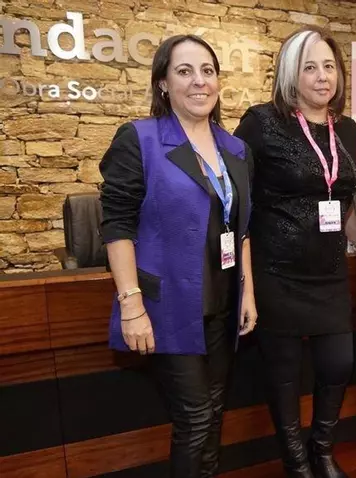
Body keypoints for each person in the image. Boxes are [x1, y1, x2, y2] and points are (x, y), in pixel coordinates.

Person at [100, 35, 257, 478]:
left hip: (223, 303)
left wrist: (247, 292)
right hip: (168, 306)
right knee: (195, 417)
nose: (198, 81)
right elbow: (117, 225)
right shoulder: (140, 139)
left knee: (214, 411)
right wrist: (131, 305)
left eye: (207, 71)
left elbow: (242, 227)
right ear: (163, 83)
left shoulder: (236, 149)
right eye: (184, 71)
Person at [233, 27, 356, 478]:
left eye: (329, 66)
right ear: (291, 73)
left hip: (329, 271)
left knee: (338, 364)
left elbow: (340, 194)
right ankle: (296, 462)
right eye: (310, 67)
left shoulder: (346, 128)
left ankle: (322, 450)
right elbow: (238, 199)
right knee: (285, 375)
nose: (322, 76)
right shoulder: (261, 122)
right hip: (277, 271)